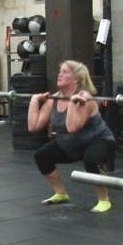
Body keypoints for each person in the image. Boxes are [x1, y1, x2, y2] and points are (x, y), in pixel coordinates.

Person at [28, 59, 115, 212]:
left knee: (91, 159)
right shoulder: (54, 99)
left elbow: (72, 127)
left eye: (65, 72)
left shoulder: (85, 98)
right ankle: (60, 193)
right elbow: (33, 126)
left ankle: (104, 199)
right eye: (60, 71)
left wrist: (73, 104)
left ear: (77, 79)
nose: (59, 75)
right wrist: (34, 101)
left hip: (98, 141)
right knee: (42, 155)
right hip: (70, 144)